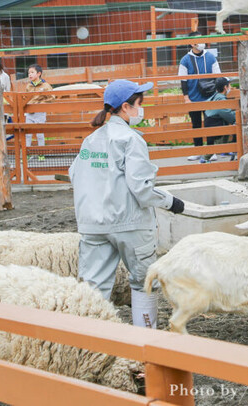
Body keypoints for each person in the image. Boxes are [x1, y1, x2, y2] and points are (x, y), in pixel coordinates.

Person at [69, 79, 186, 329]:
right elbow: (142, 189)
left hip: (93, 224)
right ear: (125, 107)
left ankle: (90, 343)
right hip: (129, 223)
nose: (140, 110)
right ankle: (145, 343)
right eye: (138, 105)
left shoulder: (90, 141)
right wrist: (170, 202)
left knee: (93, 286)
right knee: (143, 281)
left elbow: (74, 174)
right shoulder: (131, 140)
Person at [178, 32, 221, 161]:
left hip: (210, 96)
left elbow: (218, 74)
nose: (202, 42)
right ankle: (198, 150)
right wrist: (186, 97)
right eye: (198, 40)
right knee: (196, 124)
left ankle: (211, 151)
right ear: (192, 43)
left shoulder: (211, 57)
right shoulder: (185, 60)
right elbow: (183, 80)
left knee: (210, 124)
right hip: (193, 97)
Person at [24, 63, 54, 160]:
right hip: (29, 112)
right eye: (29, 73)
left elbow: (52, 97)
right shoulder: (29, 86)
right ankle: (26, 154)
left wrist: (41, 103)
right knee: (28, 134)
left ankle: (41, 153)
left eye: (32, 72)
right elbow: (25, 97)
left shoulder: (45, 85)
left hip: (39, 113)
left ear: (39, 74)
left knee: (39, 134)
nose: (30, 75)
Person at [203, 77, 236, 162]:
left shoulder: (214, 96)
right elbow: (230, 117)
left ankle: (205, 158)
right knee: (237, 125)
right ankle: (234, 151)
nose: (230, 87)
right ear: (225, 87)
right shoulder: (221, 98)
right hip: (217, 131)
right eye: (229, 85)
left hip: (210, 129)